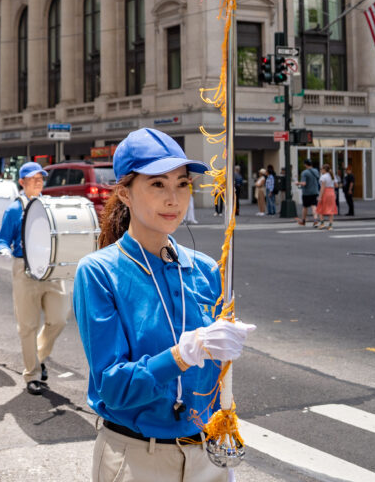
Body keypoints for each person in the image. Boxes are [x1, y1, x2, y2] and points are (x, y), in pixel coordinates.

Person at [74, 129, 256, 481]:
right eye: (158, 184)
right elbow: (112, 387)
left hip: (207, 453)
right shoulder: (99, 272)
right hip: (139, 457)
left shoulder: (205, 268)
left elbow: (215, 377)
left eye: (182, 183)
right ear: (125, 193)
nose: (174, 199)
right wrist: (181, 356)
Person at [0, 162, 70, 395]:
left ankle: (39, 356)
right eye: (33, 178)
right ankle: (32, 374)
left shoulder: (49, 206)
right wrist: (5, 250)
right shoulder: (13, 209)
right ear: (22, 182)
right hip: (25, 268)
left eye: (41, 178)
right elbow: (2, 239)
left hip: (50, 268)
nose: (38, 182)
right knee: (28, 326)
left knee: (59, 319)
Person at [296, 158, 321, 227]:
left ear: (305, 164)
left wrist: (298, 183)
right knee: (314, 206)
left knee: (305, 207)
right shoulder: (316, 171)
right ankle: (315, 220)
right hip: (315, 191)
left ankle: (303, 221)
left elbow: (304, 183)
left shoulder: (304, 173)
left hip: (306, 192)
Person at [317, 163, 338, 231]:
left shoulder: (323, 177)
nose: (320, 171)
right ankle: (330, 225)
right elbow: (336, 185)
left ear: (324, 170)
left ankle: (322, 223)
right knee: (331, 209)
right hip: (331, 192)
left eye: (321, 169)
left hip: (325, 192)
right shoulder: (332, 176)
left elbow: (322, 188)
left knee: (320, 208)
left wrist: (320, 196)